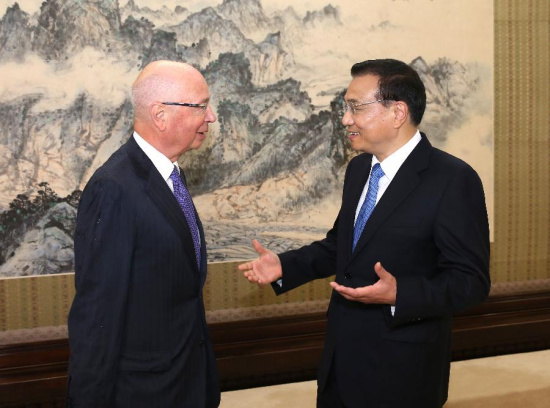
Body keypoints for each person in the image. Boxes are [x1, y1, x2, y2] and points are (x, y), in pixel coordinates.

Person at [239, 58, 490, 408]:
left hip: (403, 372)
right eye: (346, 107)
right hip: (340, 363)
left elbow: (471, 282)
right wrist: (285, 265)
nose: (345, 119)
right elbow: (340, 246)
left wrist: (400, 293)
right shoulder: (359, 170)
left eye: (355, 107)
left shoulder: (452, 180)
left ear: (397, 111)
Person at [67, 60, 220, 407]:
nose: (210, 117)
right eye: (200, 106)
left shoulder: (167, 177)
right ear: (160, 115)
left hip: (187, 383)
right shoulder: (115, 188)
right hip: (144, 394)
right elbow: (97, 315)